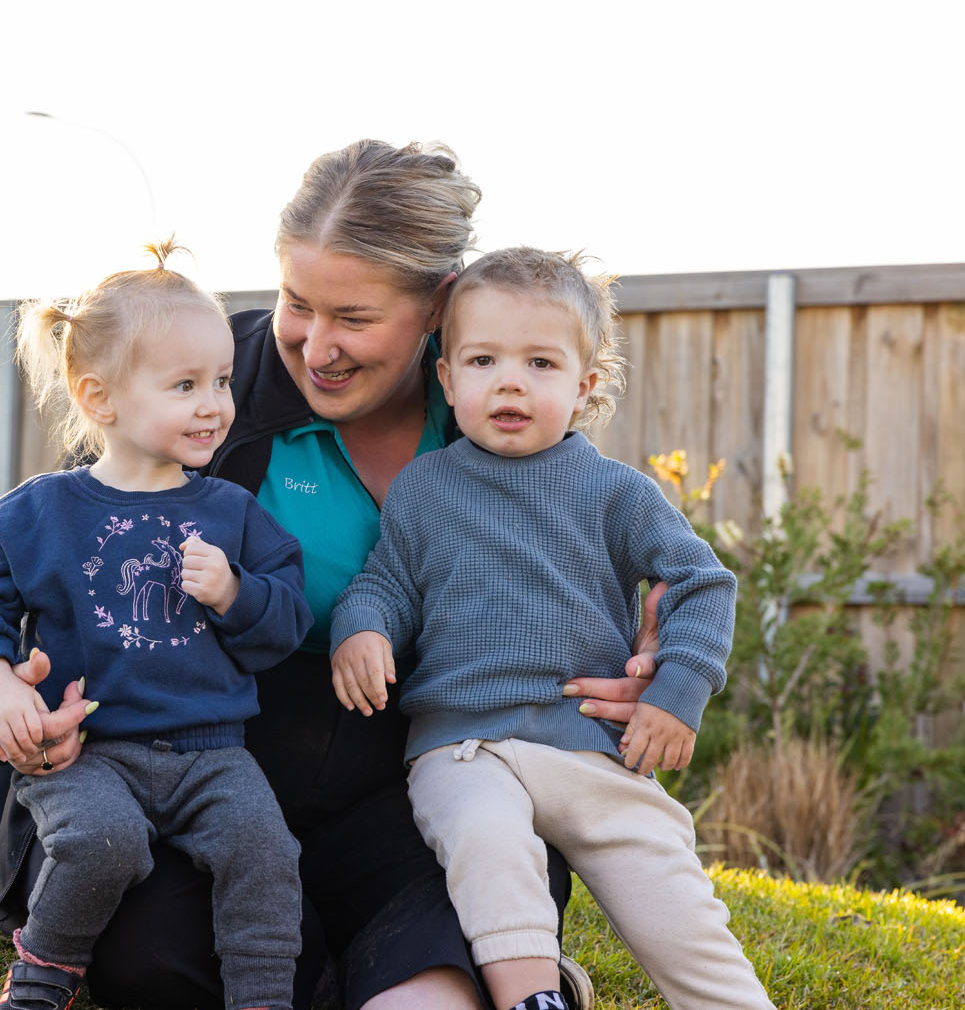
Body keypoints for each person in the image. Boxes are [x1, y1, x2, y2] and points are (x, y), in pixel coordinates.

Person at [0, 140, 660, 1010]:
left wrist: (634, 659)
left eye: (353, 316)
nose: (317, 346)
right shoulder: (196, 389)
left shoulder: (497, 411)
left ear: (439, 304)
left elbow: (581, 579)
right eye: (295, 302)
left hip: (407, 777)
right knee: (155, 954)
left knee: (442, 961)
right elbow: (39, 575)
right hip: (180, 760)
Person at [329, 246, 775, 1010]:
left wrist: (676, 691)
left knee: (673, 891)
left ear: (584, 385)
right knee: (488, 843)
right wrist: (361, 628)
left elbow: (702, 581)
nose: (510, 380)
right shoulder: (425, 488)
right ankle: (533, 998)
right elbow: (386, 583)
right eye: (483, 360)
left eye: (540, 362)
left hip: (592, 747)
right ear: (447, 377)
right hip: (466, 746)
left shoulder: (613, 491)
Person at [0, 243, 314, 1010]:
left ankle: (262, 996)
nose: (214, 403)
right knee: (101, 842)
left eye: (219, 380)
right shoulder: (42, 512)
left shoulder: (233, 515)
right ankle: (43, 976)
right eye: (184, 385)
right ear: (99, 398)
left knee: (267, 852)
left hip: (215, 754)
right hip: (92, 753)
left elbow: (286, 623)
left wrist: (236, 593)